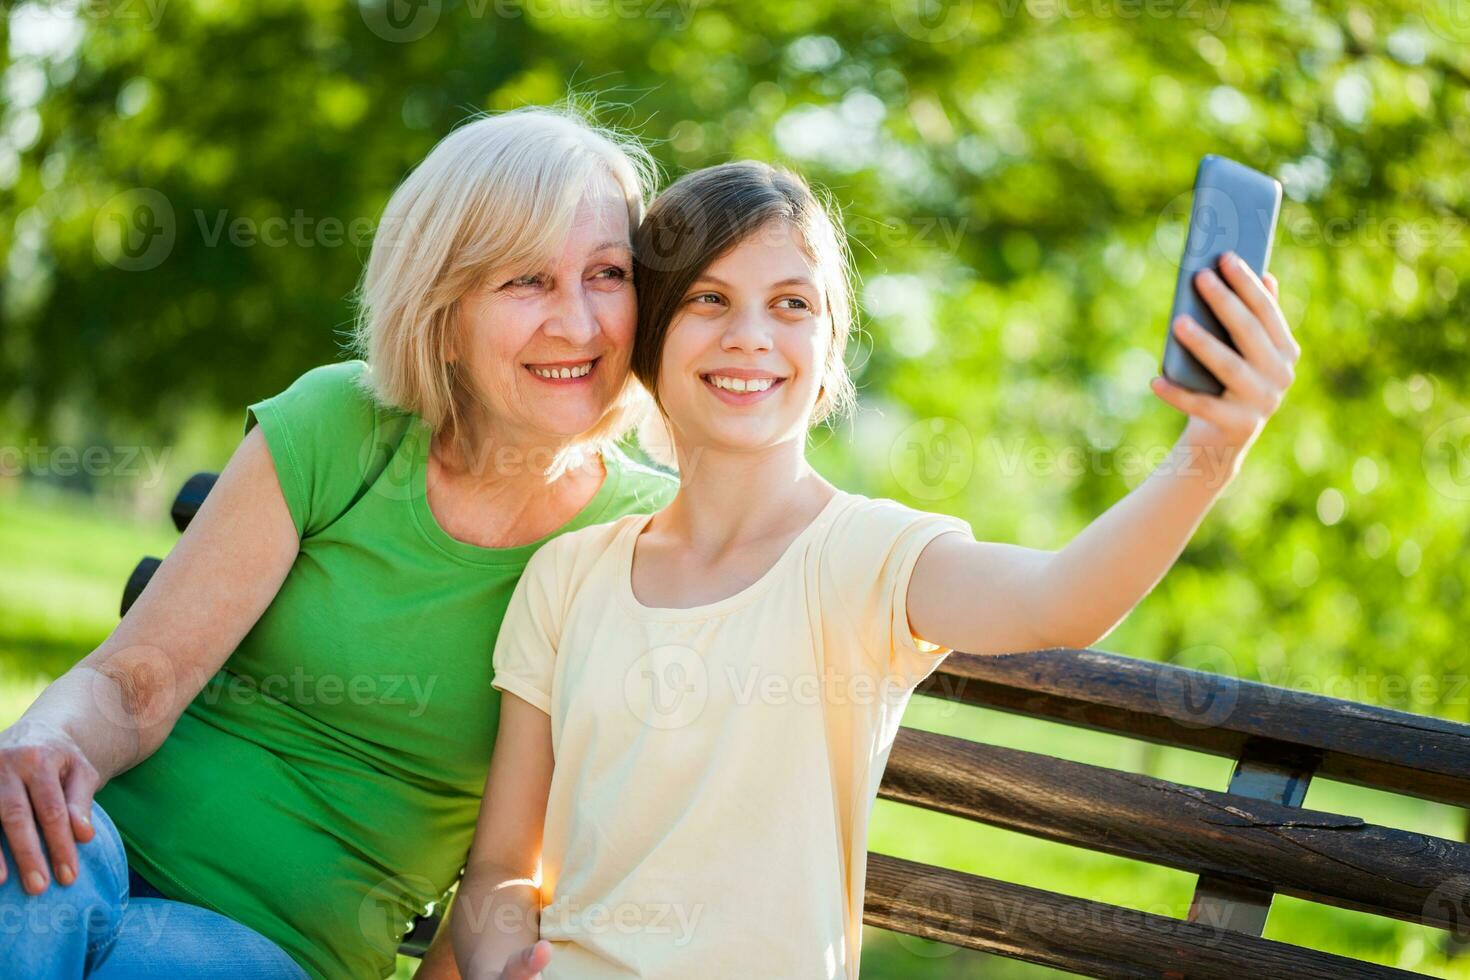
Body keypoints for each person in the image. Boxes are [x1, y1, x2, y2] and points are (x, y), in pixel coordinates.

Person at [450, 160, 1300, 978]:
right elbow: (499, 870)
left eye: (791, 304)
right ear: (652, 338)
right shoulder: (569, 575)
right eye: (710, 299)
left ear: (828, 351)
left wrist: (1211, 450)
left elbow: (1059, 603)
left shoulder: (865, 558)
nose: (750, 336)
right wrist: (499, 966)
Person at [0, 107, 677, 979]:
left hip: (269, 947)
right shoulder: (343, 423)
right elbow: (132, 686)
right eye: (525, 282)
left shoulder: (638, 543)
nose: (578, 324)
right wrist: (45, 741)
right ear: (444, 303)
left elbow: (508, 874)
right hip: (95, 838)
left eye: (607, 274)